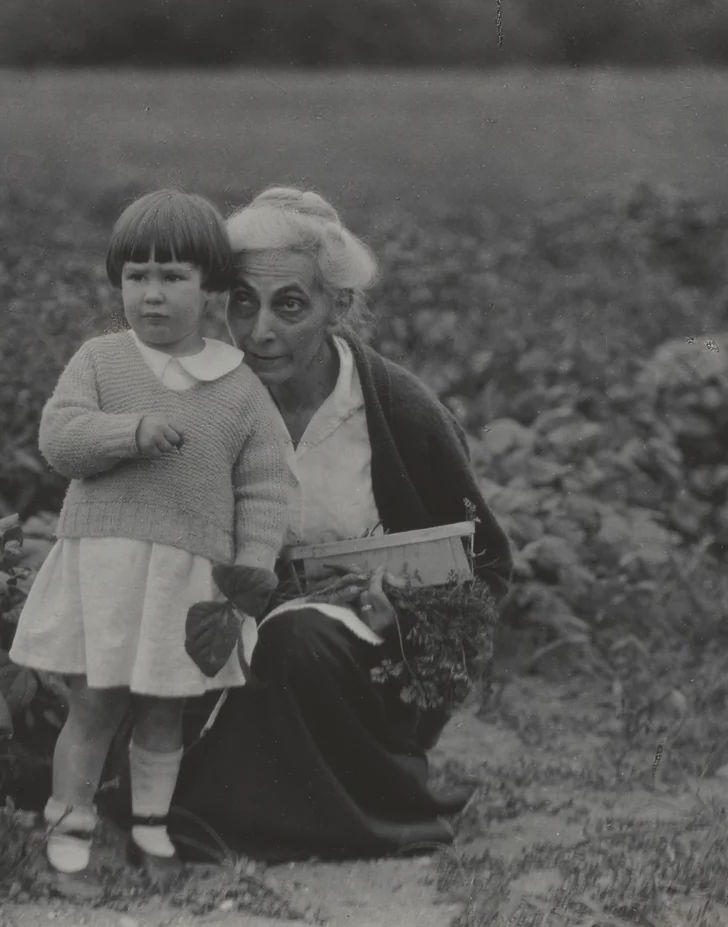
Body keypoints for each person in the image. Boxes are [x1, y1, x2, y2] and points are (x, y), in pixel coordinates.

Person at [98, 186, 514, 863]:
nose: (260, 330)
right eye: (242, 302)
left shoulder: (400, 410)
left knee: (297, 638)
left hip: (358, 665)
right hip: (225, 647)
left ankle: (293, 816)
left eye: (290, 305)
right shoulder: (202, 402)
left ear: (337, 306)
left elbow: (484, 567)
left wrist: (407, 619)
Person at [9, 189, 292, 882]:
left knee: (167, 708)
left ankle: (152, 830)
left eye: (173, 276)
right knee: (93, 704)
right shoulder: (102, 361)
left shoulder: (240, 388)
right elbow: (59, 438)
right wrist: (129, 433)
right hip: (105, 566)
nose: (152, 294)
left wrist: (252, 566)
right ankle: (69, 827)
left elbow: (264, 486)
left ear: (212, 286)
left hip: (186, 578)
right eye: (136, 276)